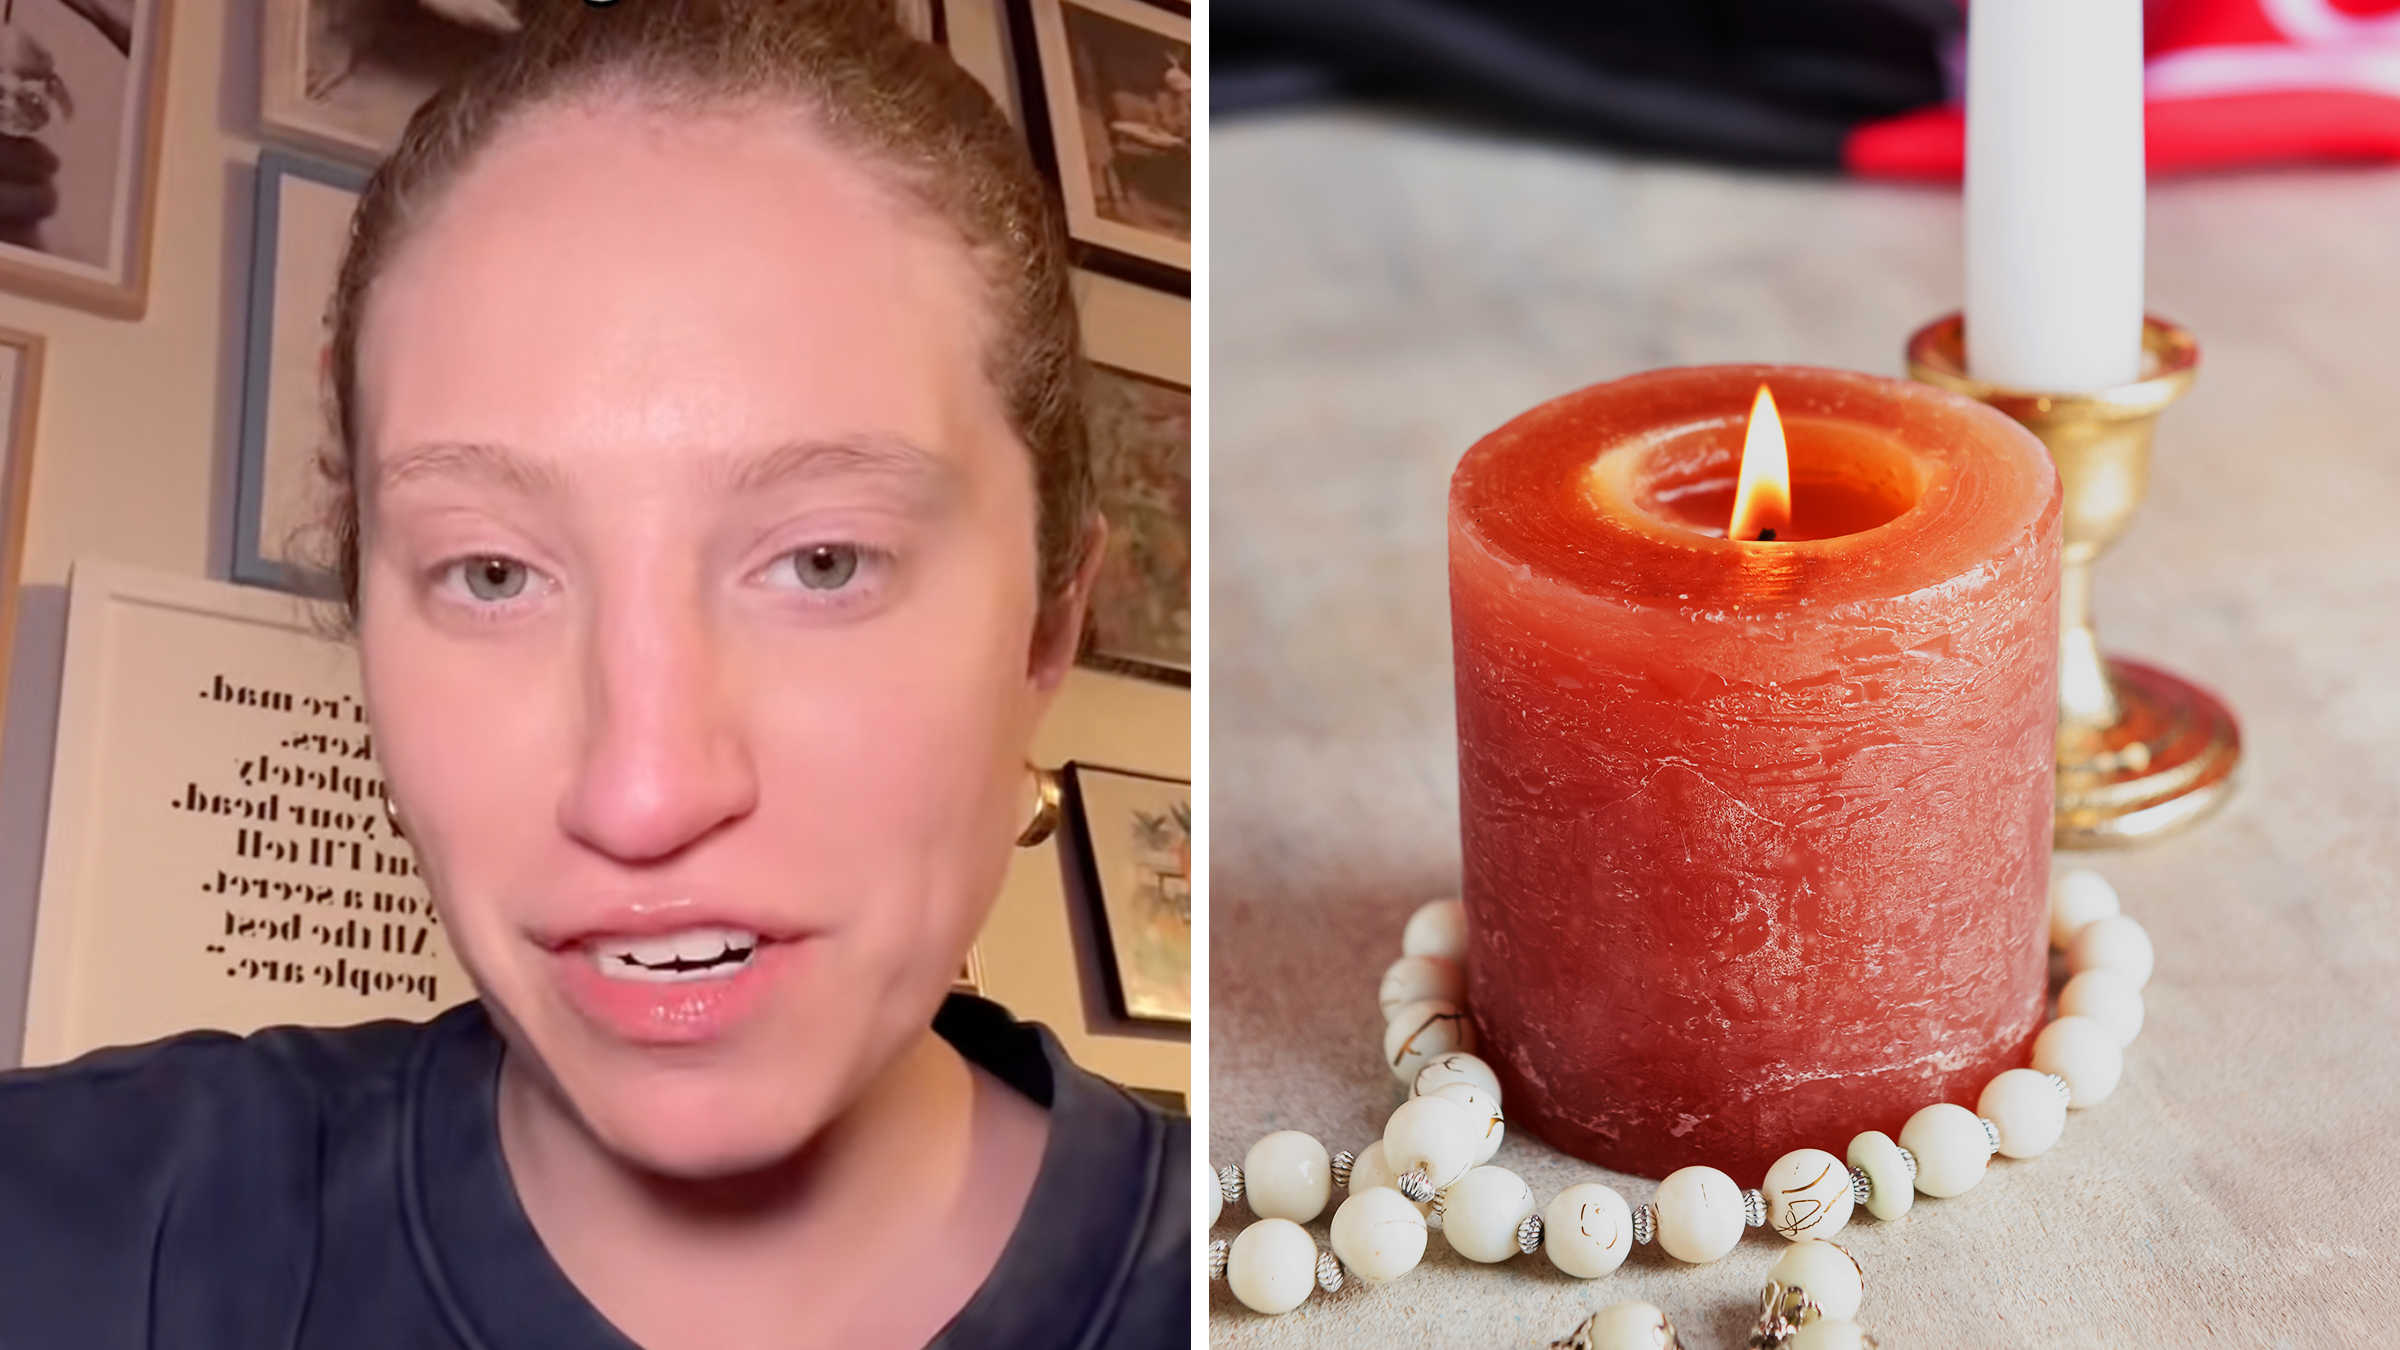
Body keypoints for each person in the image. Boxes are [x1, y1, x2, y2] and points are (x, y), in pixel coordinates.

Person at [0, 0, 1188, 1345]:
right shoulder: (72, 1237)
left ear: (1050, 621)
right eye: (493, 573)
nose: (642, 792)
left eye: (822, 563)